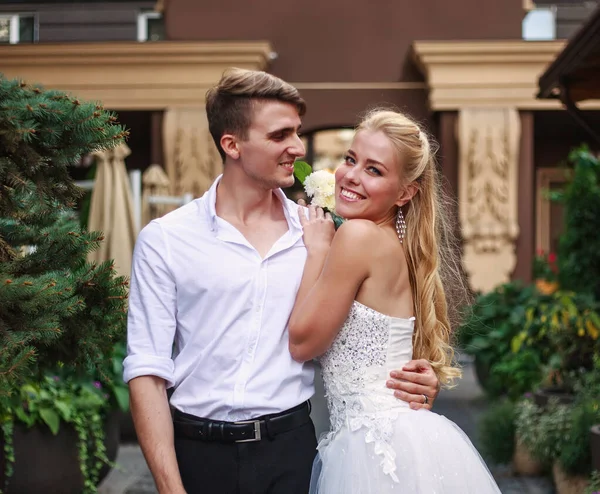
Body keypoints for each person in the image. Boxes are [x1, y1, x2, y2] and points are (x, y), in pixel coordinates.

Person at [123, 68, 441, 494]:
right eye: (280, 135)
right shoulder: (165, 240)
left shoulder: (321, 233)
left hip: (291, 455)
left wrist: (414, 378)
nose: (297, 147)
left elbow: (372, 322)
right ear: (231, 144)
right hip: (196, 455)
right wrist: (170, 488)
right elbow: (146, 371)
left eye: (297, 131)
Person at [288, 109, 501, 493]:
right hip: (399, 437)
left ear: (405, 192)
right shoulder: (393, 244)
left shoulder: (357, 237)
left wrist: (318, 249)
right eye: (351, 159)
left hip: (371, 446)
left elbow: (302, 342)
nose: (351, 176)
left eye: (374, 170)